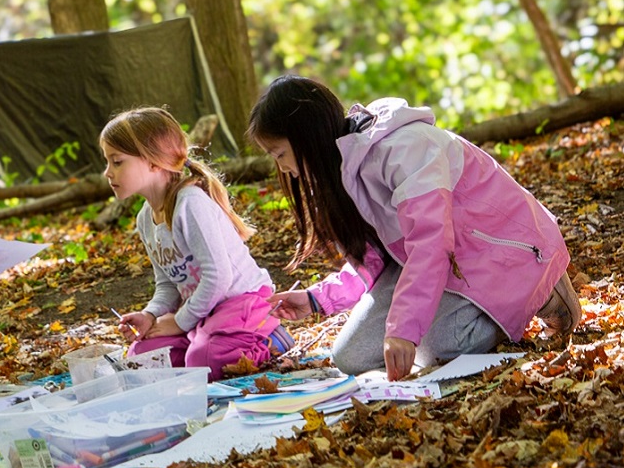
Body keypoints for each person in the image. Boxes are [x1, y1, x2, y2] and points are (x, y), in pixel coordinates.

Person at [247, 75, 580, 381]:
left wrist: (404, 329)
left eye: (280, 154)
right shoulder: (344, 173)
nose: (284, 169)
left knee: (435, 347)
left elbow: (431, 243)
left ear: (306, 136)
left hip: (501, 254)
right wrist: (316, 299)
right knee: (350, 356)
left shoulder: (403, 150)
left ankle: (543, 293)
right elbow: (378, 260)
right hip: (447, 266)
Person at [100, 107, 293, 380]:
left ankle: (269, 339)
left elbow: (219, 277)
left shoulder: (190, 203)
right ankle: (202, 342)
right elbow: (168, 284)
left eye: (117, 161)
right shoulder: (145, 219)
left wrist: (180, 322)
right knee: (141, 357)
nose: (108, 172)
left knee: (203, 359)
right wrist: (151, 315)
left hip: (241, 304)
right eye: (107, 162)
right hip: (203, 312)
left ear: (153, 162)